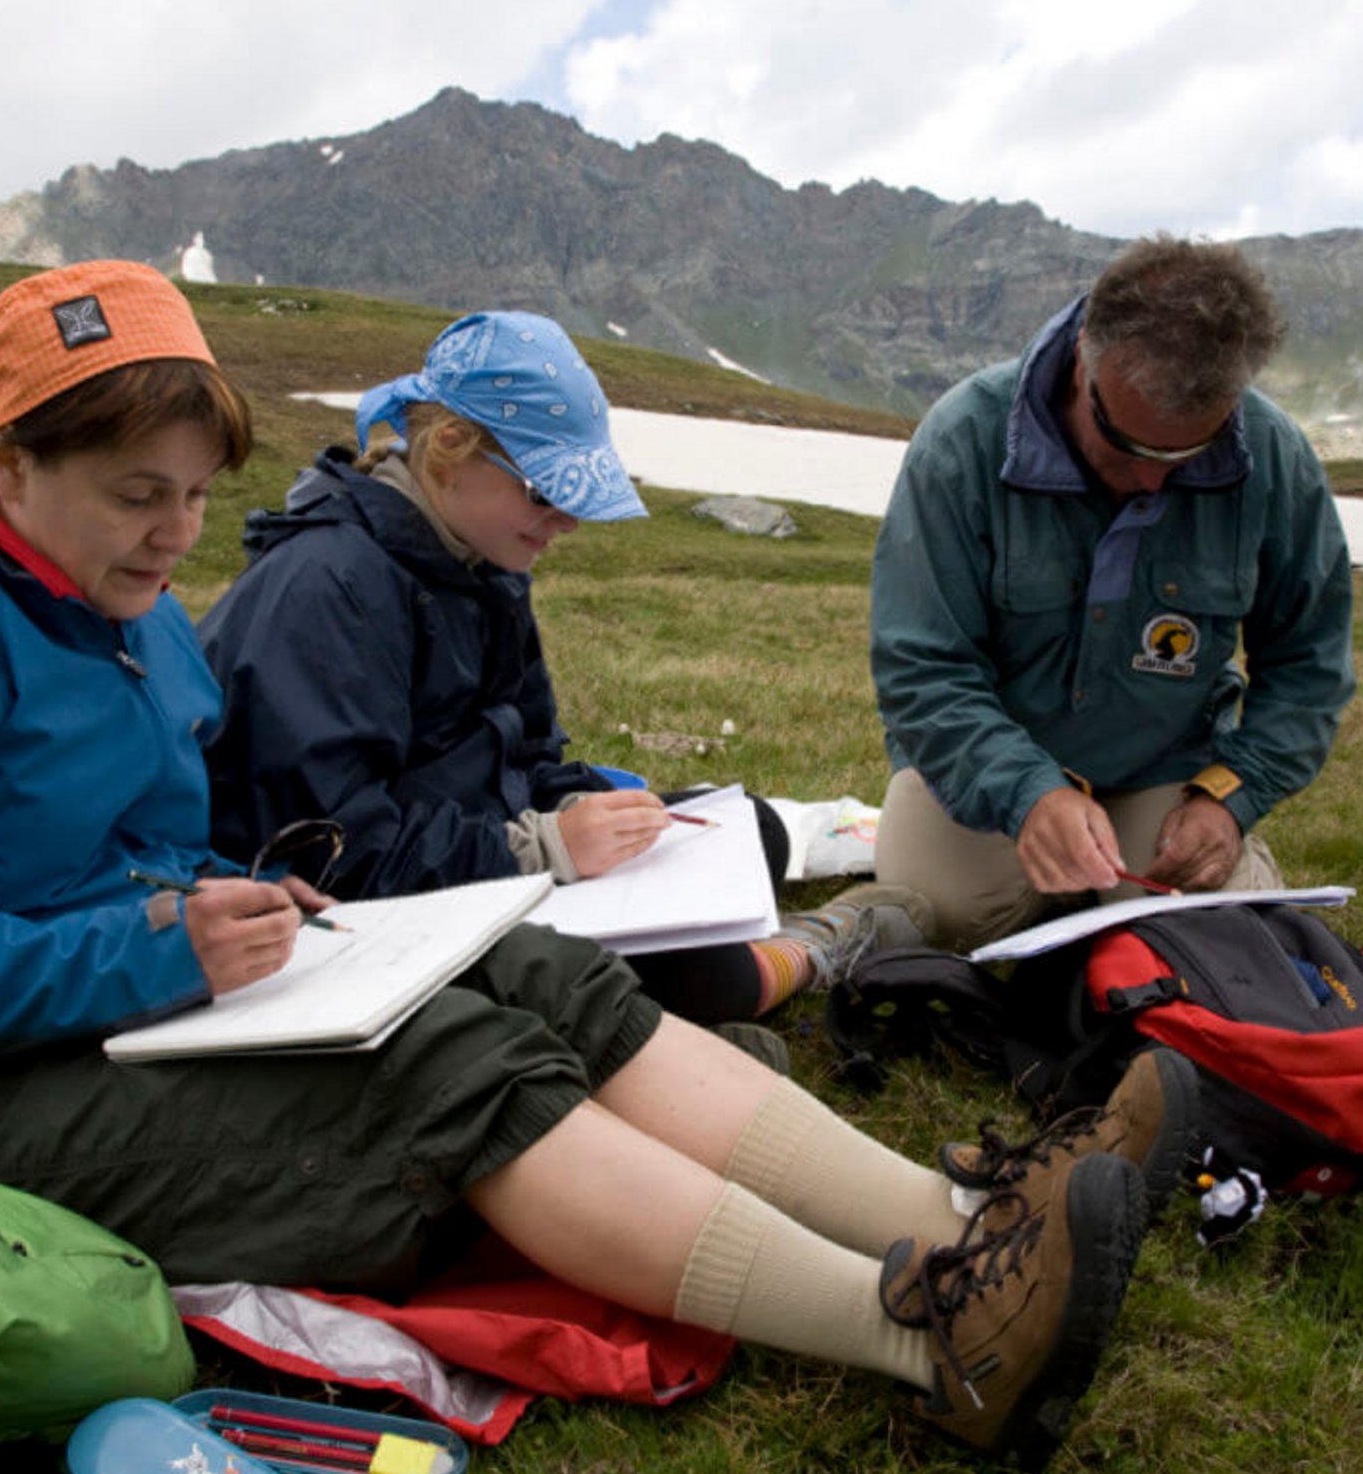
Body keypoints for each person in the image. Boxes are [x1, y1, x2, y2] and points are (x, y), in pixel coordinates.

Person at [0, 261, 1192, 1467]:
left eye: (187, 494)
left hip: (116, 1013)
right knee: (439, 1065)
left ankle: (969, 1227)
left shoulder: (134, 613)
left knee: (521, 966)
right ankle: (932, 1332)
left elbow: (145, 845)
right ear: (7, 463)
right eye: (133, 495)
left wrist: (228, 901)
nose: (177, 536)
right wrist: (159, 945)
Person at [198, 310, 930, 1026]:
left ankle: (713, 975)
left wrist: (584, 806)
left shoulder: (484, 559)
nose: (569, 521)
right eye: (548, 492)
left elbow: (527, 751)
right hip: (386, 914)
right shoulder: (328, 588)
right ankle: (809, 951)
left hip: (485, 854)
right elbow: (333, 858)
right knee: (708, 975)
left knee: (744, 830)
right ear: (450, 449)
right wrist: (540, 848)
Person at [870, 236, 1356, 951]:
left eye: (1187, 454)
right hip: (989, 758)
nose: (1156, 481)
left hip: (1164, 767)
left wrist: (1232, 798)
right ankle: (1054, 880)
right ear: (1082, 363)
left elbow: (1311, 667)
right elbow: (923, 670)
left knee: (1203, 935)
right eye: (1131, 447)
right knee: (937, 913)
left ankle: (1142, 887)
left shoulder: (1276, 458)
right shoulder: (961, 441)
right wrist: (1028, 791)